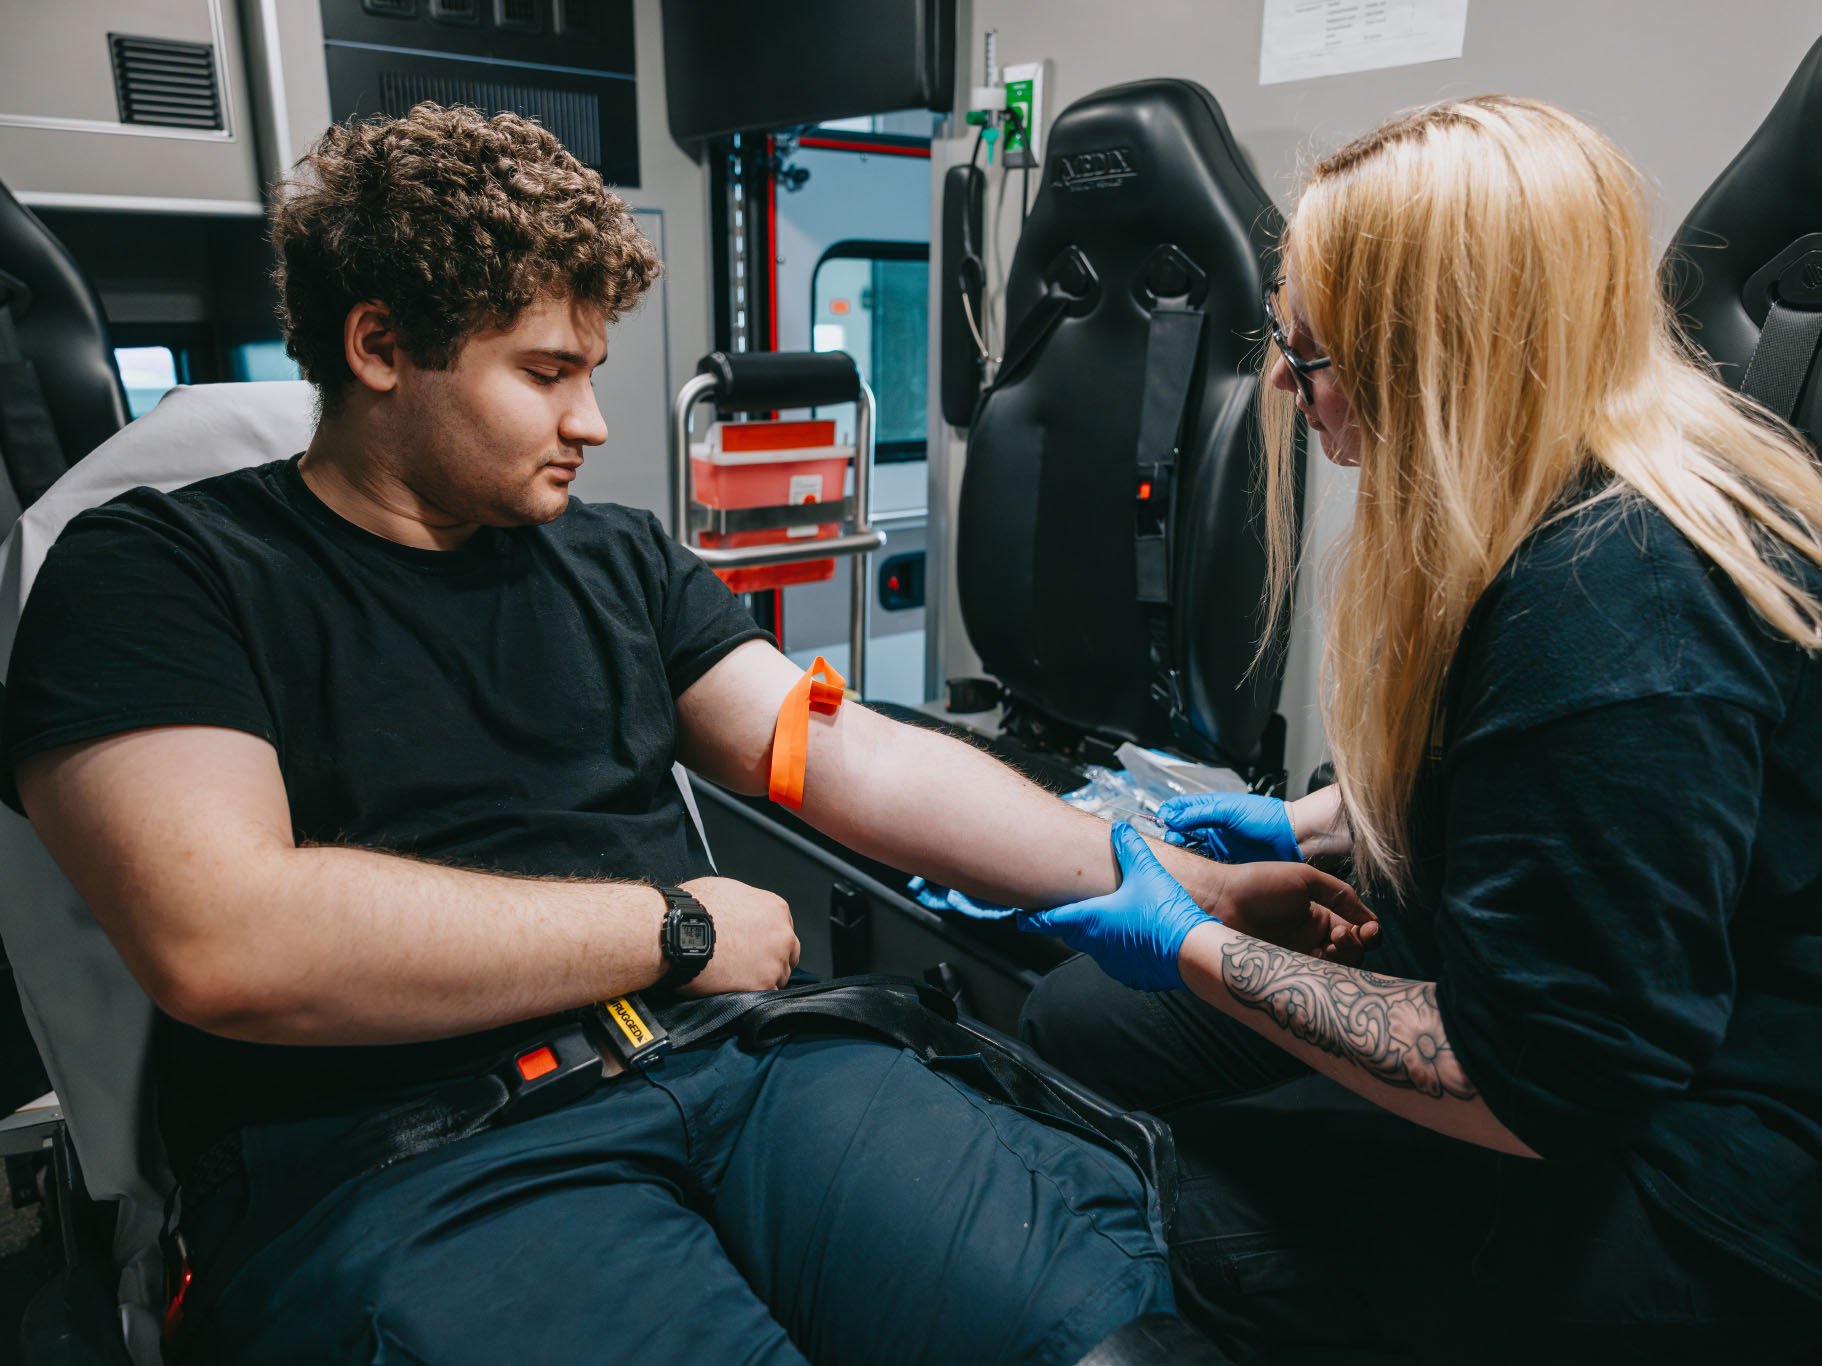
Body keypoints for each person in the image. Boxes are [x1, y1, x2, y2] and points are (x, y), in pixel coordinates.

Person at [0, 105, 1373, 1364]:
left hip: (743, 1065)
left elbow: (837, 754)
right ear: (377, 347)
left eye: (593, 370)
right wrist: (676, 930)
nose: (591, 421)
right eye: (544, 373)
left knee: (1105, 1334)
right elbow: (226, 941)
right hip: (421, 1155)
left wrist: (1161, 878)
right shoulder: (161, 571)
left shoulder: (612, 559)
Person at [1018, 96, 1822, 1363]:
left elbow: (1537, 1080)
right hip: (1576, 1013)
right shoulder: (1559, 491)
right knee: (1069, 1028)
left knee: (1160, 1205)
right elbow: (1547, 771)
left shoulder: (1609, 597)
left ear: (1434, 351)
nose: (1285, 382)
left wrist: (1191, 948)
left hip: (1708, 1164)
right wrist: (1319, 820)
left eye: (1311, 351)